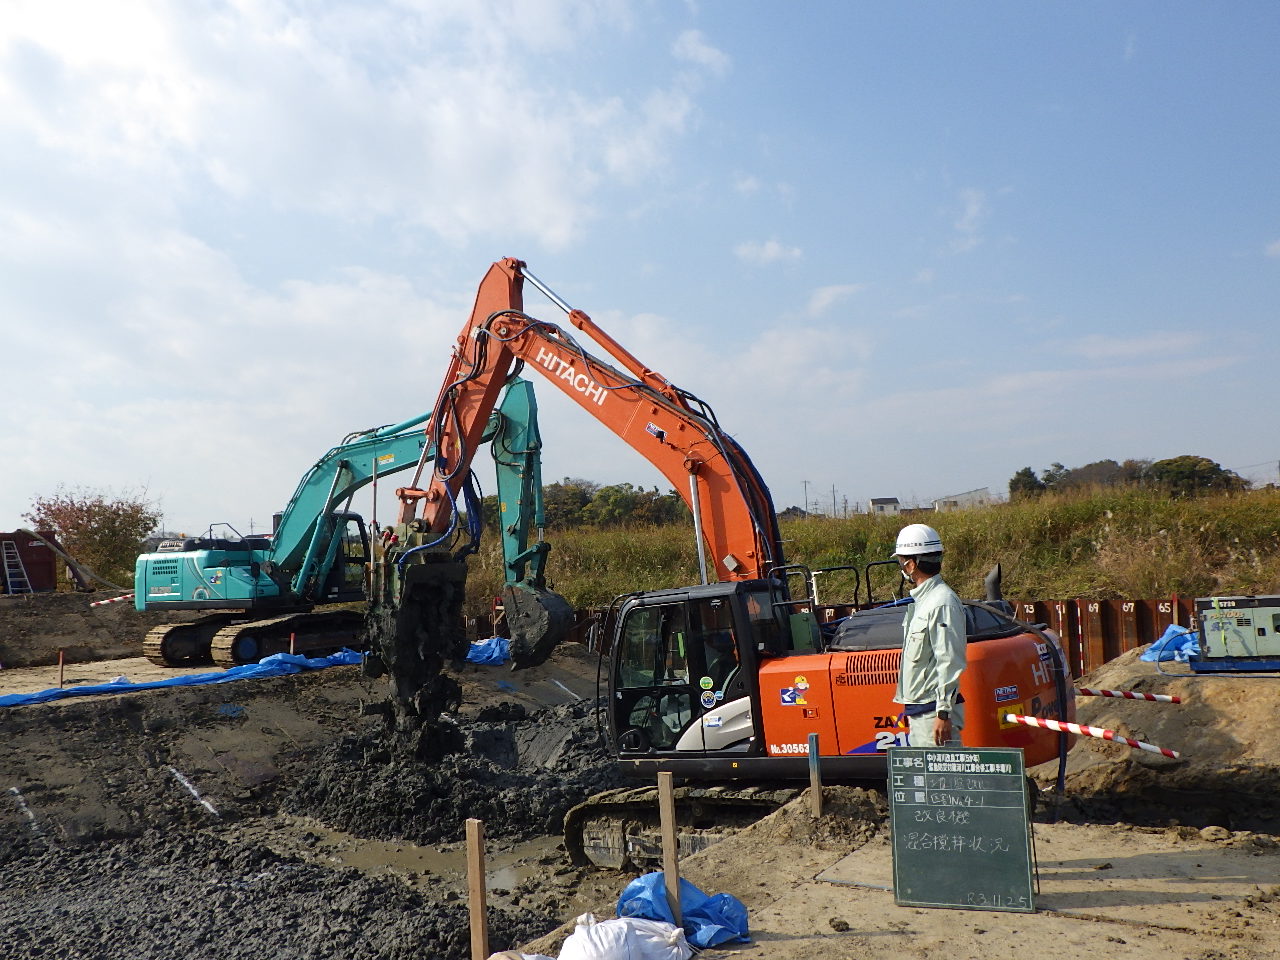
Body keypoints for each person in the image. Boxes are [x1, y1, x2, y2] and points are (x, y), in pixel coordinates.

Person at [892, 523, 966, 747]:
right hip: (921, 711)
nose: (902, 567)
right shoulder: (924, 602)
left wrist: (943, 714)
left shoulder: (941, 602)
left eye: (902, 562)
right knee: (928, 780)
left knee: (943, 780)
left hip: (933, 714)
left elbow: (950, 661)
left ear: (912, 564)